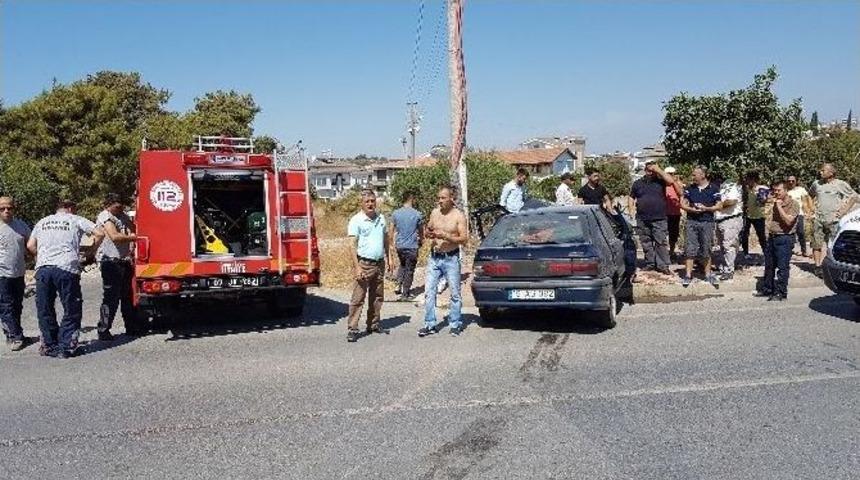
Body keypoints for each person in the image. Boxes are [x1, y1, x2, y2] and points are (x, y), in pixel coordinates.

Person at [27, 200, 105, 358]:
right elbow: (100, 233)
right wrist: (91, 251)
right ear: (70, 208)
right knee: (71, 308)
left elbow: (30, 245)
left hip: (43, 269)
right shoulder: (75, 219)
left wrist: (42, 257)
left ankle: (49, 346)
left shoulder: (42, 221)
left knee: (45, 308)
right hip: (66, 268)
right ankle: (67, 346)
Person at [419, 185, 468, 338]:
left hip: (451, 258)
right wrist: (428, 233)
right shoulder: (435, 212)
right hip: (434, 257)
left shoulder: (459, 216)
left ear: (451, 199)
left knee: (455, 294)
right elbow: (428, 230)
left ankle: (455, 324)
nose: (439, 201)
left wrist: (446, 236)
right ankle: (430, 324)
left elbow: (464, 239)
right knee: (429, 292)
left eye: (443, 198)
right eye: (438, 198)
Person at [345, 190, 391, 343]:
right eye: (367, 201)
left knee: (377, 296)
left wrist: (389, 258)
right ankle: (352, 328)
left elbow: (386, 239)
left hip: (379, 263)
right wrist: (357, 267)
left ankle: (373, 324)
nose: (370, 204)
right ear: (362, 203)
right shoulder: (356, 220)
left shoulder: (381, 218)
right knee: (358, 297)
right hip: (364, 264)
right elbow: (352, 245)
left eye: (372, 201)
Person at [95, 193, 137, 341]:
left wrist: (134, 234)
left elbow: (134, 228)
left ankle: (131, 327)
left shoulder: (122, 215)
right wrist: (135, 237)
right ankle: (103, 330)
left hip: (123, 261)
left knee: (128, 297)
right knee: (111, 298)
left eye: (121, 206)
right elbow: (115, 237)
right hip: (110, 262)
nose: (120, 209)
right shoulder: (105, 216)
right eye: (117, 206)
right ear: (109, 205)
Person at [628, 160, 678, 275]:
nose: (650, 172)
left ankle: (663, 265)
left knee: (660, 242)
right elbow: (631, 197)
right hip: (642, 218)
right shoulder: (637, 183)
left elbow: (671, 181)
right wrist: (631, 210)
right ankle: (650, 263)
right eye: (648, 170)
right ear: (645, 170)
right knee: (646, 242)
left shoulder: (661, 181)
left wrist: (658, 170)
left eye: (652, 170)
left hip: (659, 217)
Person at [810, 163, 859, 275]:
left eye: (823, 170)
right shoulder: (816, 184)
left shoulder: (840, 184)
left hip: (833, 221)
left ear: (831, 173)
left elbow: (855, 197)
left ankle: (831, 266)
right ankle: (817, 267)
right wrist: (811, 209)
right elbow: (810, 195)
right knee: (816, 244)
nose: (820, 172)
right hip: (818, 219)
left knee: (832, 245)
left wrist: (844, 211)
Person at [755, 181, 799, 301]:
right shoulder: (773, 200)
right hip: (772, 236)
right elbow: (759, 202)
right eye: (775, 190)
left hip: (785, 238)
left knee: (782, 266)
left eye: (779, 190)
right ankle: (767, 289)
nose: (776, 193)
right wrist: (763, 195)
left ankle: (781, 292)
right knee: (769, 265)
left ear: (786, 190)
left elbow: (789, 221)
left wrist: (779, 207)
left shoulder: (794, 204)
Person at [679, 166, 723, 287]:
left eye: (695, 175)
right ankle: (688, 275)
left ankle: (708, 274)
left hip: (707, 222)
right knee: (689, 248)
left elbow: (719, 206)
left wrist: (706, 208)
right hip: (691, 221)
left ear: (703, 175)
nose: (692, 177)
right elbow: (682, 204)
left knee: (706, 248)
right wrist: (692, 210)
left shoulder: (714, 188)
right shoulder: (689, 188)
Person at [0, 197, 31, 351]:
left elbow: (31, 244)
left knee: (17, 306)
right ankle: (14, 337)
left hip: (18, 273)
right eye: (2, 208)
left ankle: (16, 333)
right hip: (1, 274)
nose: (6, 211)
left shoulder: (21, 225)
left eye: (9, 208)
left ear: (14, 209)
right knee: (6, 306)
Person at [389, 190, 423, 301]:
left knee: (403, 264)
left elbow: (391, 230)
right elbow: (421, 230)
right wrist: (421, 240)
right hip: (412, 246)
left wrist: (391, 244)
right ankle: (405, 293)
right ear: (412, 199)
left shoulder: (396, 213)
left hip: (400, 246)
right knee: (409, 270)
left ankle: (398, 284)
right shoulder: (417, 214)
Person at [713, 174, 743, 281]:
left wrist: (718, 205)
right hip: (720, 219)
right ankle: (724, 268)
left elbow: (732, 201)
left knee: (728, 245)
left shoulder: (730, 184)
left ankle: (729, 270)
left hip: (730, 219)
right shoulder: (717, 185)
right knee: (722, 245)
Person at [740, 171, 768, 264]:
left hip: (759, 216)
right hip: (747, 216)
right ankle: (745, 253)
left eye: (748, 179)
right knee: (744, 234)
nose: (747, 181)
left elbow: (762, 202)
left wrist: (763, 199)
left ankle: (766, 253)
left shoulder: (762, 188)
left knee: (761, 236)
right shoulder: (746, 189)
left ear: (753, 180)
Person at [786, 175, 813, 258]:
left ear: (796, 182)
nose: (791, 182)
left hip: (799, 214)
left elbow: (807, 199)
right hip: (788, 215)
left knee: (800, 232)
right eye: (789, 181)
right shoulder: (785, 191)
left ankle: (804, 250)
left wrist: (809, 210)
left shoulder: (801, 190)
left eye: (793, 181)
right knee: (789, 233)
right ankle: (789, 250)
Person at [664, 167, 683, 259]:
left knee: (673, 234)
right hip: (664, 213)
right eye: (669, 174)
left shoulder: (677, 184)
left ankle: (672, 251)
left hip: (675, 213)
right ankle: (663, 253)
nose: (671, 175)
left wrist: (674, 182)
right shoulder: (662, 185)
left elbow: (681, 193)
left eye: (672, 174)